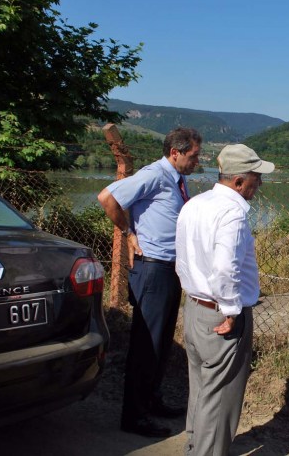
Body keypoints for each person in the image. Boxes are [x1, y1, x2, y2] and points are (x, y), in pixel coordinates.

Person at [97, 127, 202, 438]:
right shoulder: (154, 174)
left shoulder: (177, 178)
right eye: (194, 156)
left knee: (161, 341)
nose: (197, 162)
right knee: (147, 344)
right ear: (175, 153)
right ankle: (135, 415)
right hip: (152, 268)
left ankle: (151, 400)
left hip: (169, 268)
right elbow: (107, 197)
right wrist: (128, 234)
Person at [175, 144, 274, 455]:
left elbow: (183, 258)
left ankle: (195, 445)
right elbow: (224, 268)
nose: (260, 183)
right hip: (221, 314)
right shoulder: (232, 213)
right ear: (239, 181)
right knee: (221, 396)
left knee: (201, 388)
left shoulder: (195, 204)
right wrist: (231, 311)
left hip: (195, 308)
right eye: (257, 177)